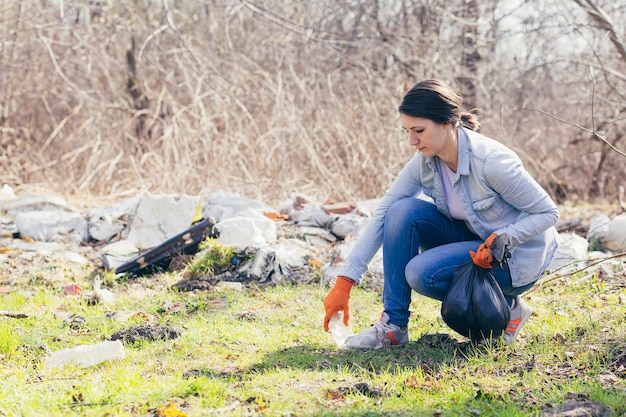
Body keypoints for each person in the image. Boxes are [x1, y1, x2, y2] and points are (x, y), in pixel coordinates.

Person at [323, 79, 559, 350]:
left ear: (447, 123)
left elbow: (548, 212)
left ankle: (508, 308)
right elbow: (385, 212)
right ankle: (393, 327)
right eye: (407, 131)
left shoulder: (492, 162)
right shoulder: (426, 160)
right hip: (473, 243)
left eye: (419, 130)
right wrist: (345, 281)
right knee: (401, 212)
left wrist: (505, 237)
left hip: (515, 258)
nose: (412, 141)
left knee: (421, 273)